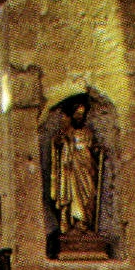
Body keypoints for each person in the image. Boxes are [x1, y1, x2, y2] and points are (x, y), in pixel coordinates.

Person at [48, 97, 102, 235]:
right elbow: (57, 144)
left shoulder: (88, 133)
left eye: (82, 115)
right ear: (72, 115)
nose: (80, 117)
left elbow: (92, 148)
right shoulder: (67, 132)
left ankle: (85, 225)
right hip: (72, 171)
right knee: (73, 195)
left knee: (89, 195)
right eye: (77, 114)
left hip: (87, 169)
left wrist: (97, 151)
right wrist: (62, 138)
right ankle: (74, 225)